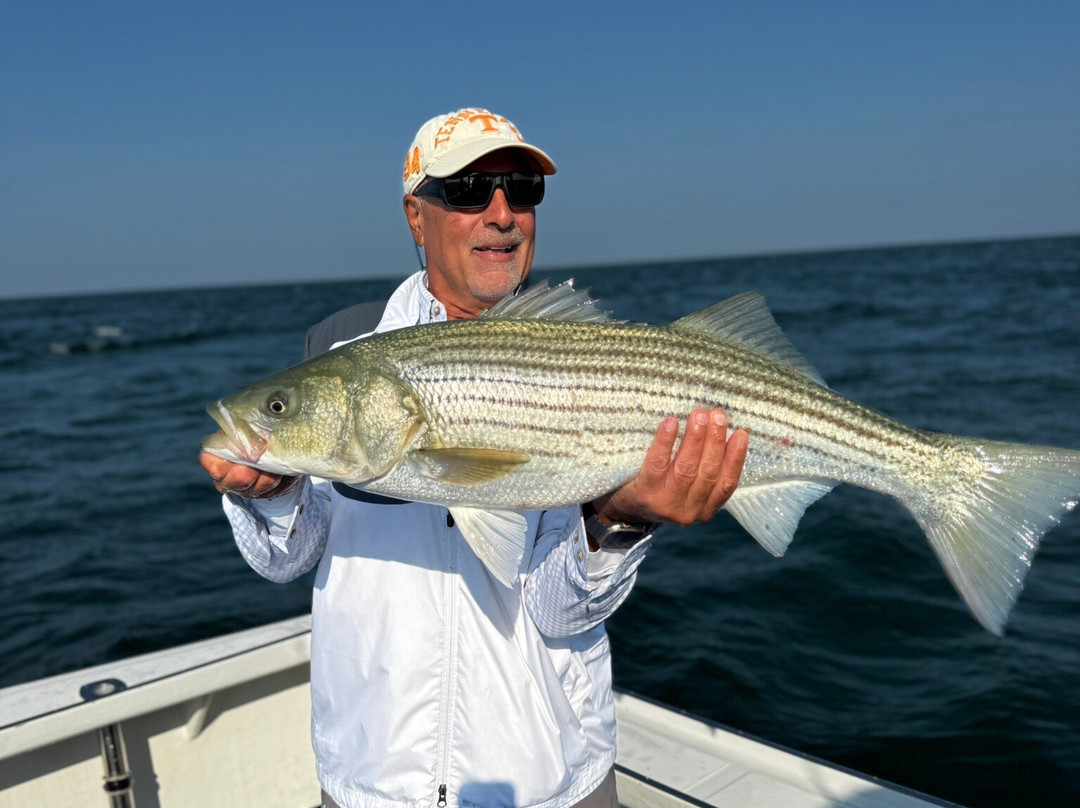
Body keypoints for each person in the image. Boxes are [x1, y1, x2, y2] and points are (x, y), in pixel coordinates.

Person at [200, 108, 748, 808]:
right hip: (373, 782)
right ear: (414, 215)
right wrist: (270, 494)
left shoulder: (580, 363)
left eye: (521, 190)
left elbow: (561, 610)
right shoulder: (340, 356)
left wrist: (621, 518)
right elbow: (285, 558)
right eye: (467, 191)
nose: (501, 213)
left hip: (550, 780)